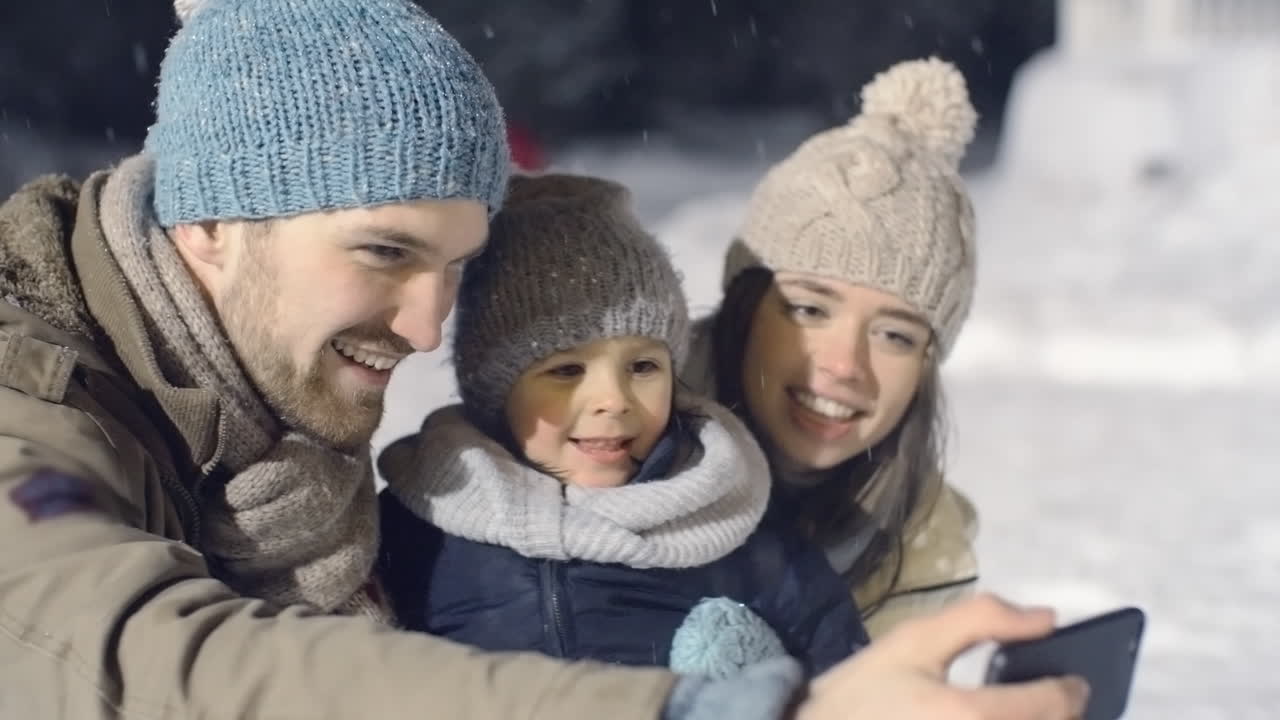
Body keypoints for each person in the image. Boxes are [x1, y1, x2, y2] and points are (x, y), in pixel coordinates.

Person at [0, 0, 1088, 715]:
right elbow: (142, 657)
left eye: (451, 272)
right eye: (384, 251)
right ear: (211, 226)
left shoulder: (278, 449)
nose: (426, 330)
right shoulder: (33, 397)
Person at [378, 173, 866, 679]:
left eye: (643, 367)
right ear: (494, 391)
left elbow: (855, 689)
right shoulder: (418, 530)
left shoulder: (730, 526)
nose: (613, 400)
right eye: (566, 371)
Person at [684, 58, 983, 638]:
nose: (845, 365)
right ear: (744, 307)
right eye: (809, 309)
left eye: (894, 335)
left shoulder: (929, 552)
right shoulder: (599, 469)